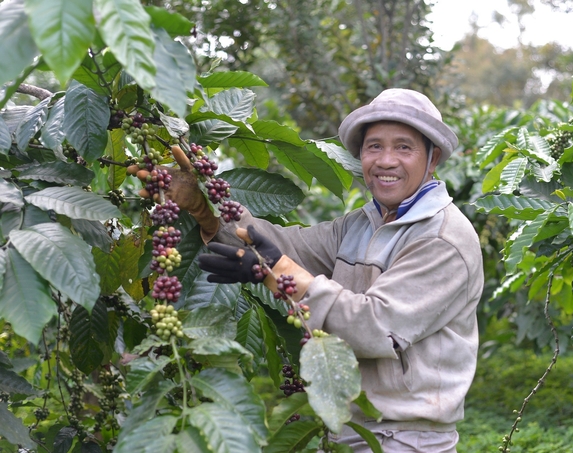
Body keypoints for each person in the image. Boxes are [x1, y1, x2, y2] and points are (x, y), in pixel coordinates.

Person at [140, 89, 484, 452]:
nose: (385, 160)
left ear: (433, 159)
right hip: (344, 428)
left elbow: (374, 327)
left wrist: (277, 270)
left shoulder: (443, 238)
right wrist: (203, 207)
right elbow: (284, 246)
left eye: (403, 147)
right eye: (374, 147)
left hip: (403, 439)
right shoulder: (360, 225)